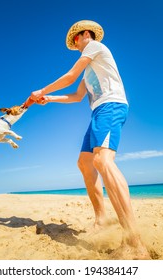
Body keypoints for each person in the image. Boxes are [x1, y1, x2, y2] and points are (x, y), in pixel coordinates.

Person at [28, 20, 150, 259]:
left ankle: (135, 241)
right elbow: (76, 96)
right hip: (98, 112)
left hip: (111, 107)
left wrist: (41, 91)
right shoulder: (89, 68)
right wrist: (50, 99)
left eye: (75, 40)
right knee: (85, 163)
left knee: (103, 161)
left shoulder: (95, 47)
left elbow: (70, 75)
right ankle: (101, 220)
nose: (75, 45)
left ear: (86, 34)